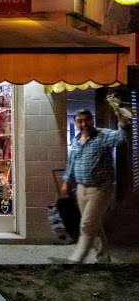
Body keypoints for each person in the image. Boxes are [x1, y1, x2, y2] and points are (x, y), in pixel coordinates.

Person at [58, 108, 129, 263]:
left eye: (87, 120)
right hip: (81, 188)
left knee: (86, 225)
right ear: (76, 123)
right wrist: (66, 181)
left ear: (92, 120)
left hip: (100, 188)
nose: (84, 124)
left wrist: (121, 120)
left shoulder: (103, 136)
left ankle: (75, 260)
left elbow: (122, 138)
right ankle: (104, 260)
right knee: (93, 225)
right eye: (80, 121)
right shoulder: (76, 140)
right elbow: (72, 162)